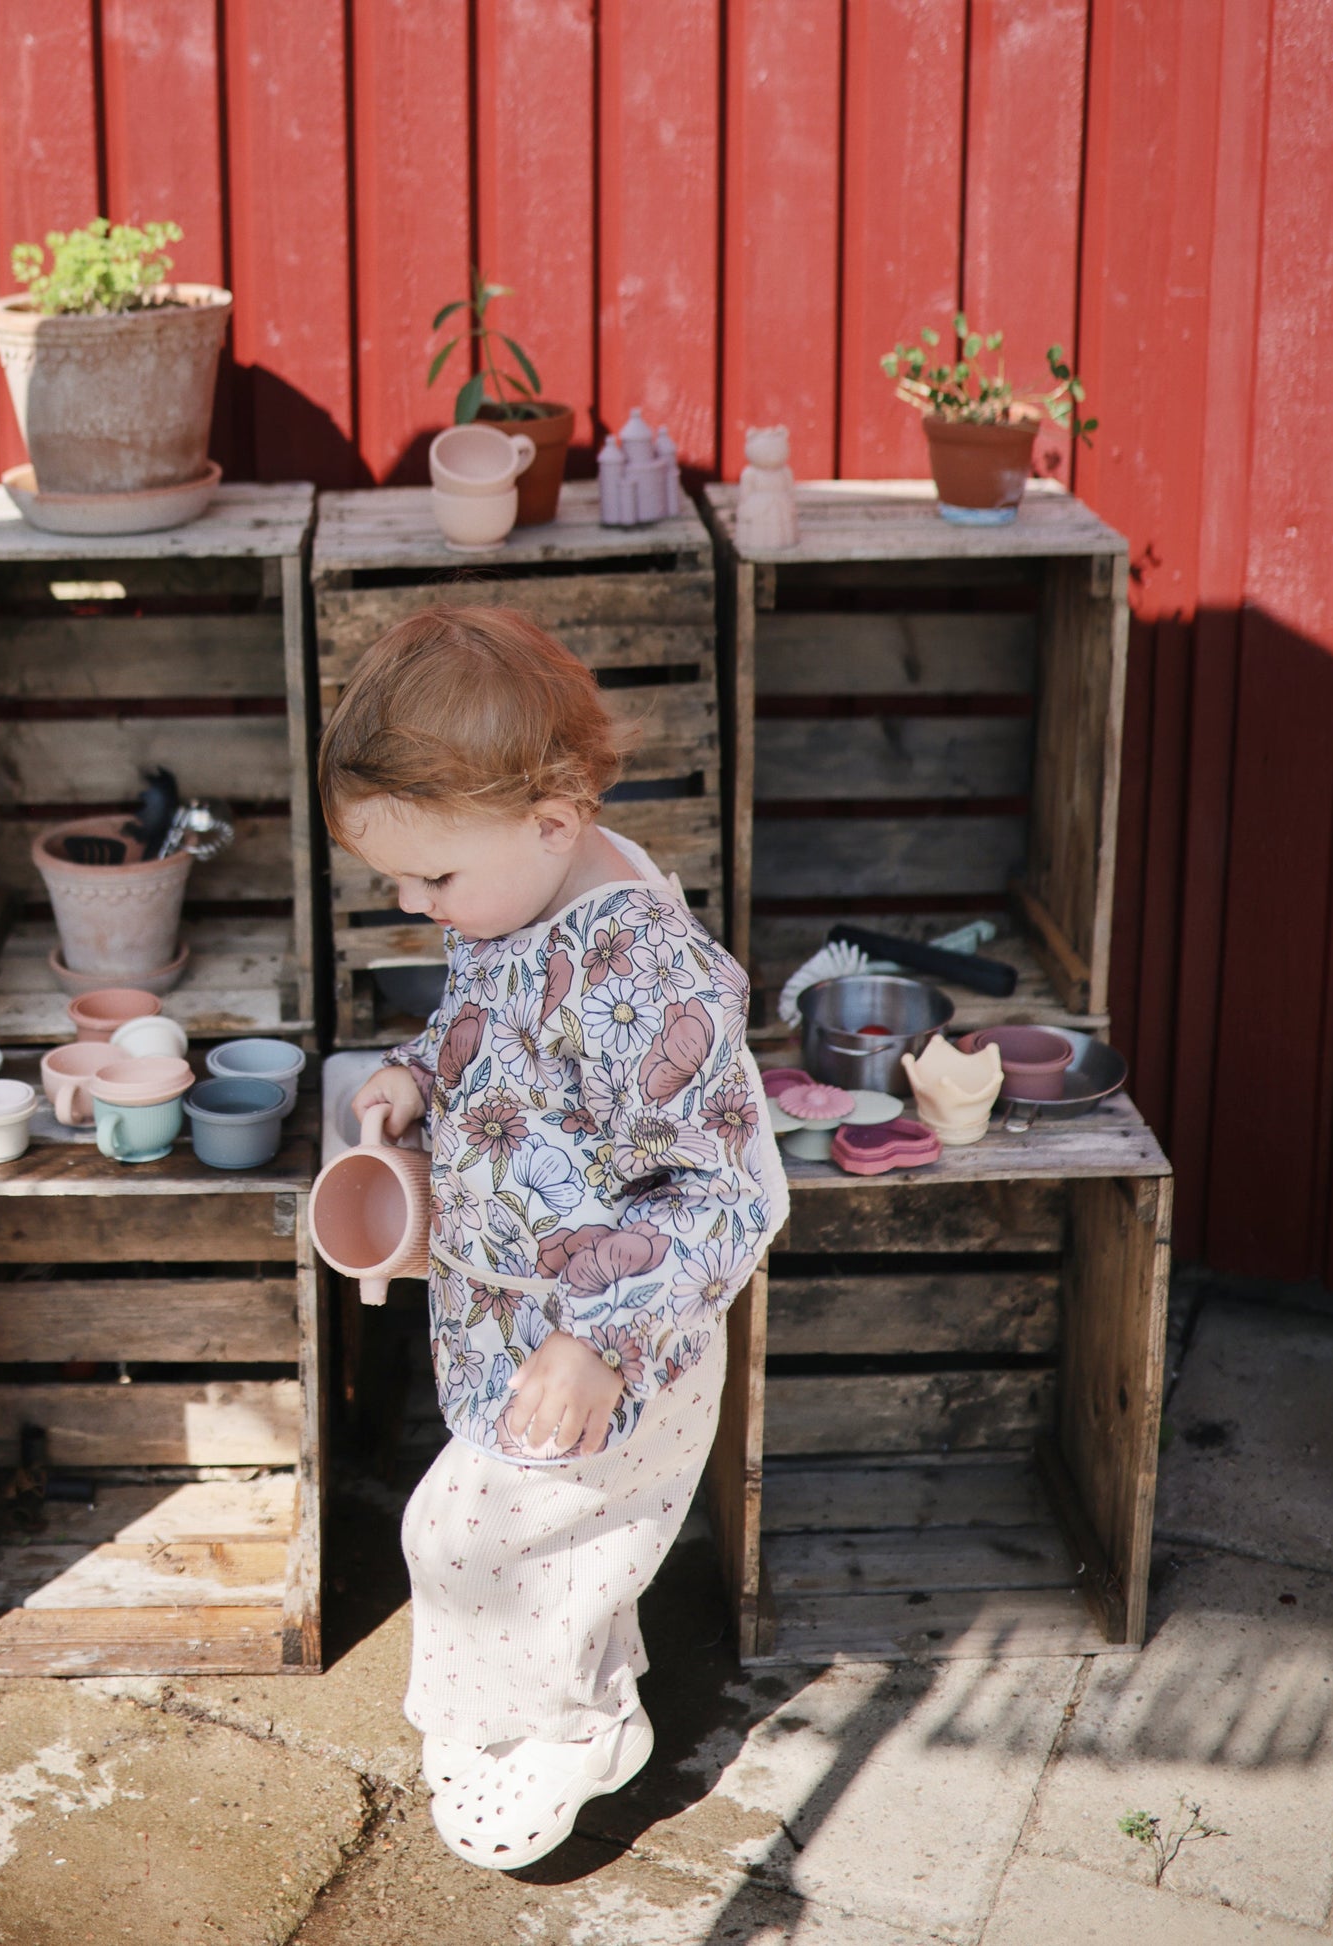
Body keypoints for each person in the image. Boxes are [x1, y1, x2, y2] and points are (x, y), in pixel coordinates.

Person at [318, 605, 789, 1870]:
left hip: (610, 1343)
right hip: (513, 1312)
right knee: (556, 1545)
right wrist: (420, 1071)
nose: (415, 905)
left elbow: (718, 1195)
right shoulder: (515, 894)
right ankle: (545, 1687)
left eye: (432, 880)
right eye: (397, 880)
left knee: (464, 1532)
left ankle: (577, 1728)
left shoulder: (648, 978)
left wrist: (596, 1340)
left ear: (552, 819)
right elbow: (492, 1019)